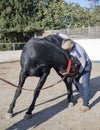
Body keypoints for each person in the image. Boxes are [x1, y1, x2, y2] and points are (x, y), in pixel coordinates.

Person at [57, 33, 92, 112]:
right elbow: (64, 36)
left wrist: (77, 74)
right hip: (78, 64)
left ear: (71, 47)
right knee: (74, 81)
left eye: (67, 49)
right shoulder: (69, 41)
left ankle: (86, 105)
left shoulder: (78, 52)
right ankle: (82, 95)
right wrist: (56, 34)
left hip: (86, 65)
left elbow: (83, 64)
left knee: (85, 83)